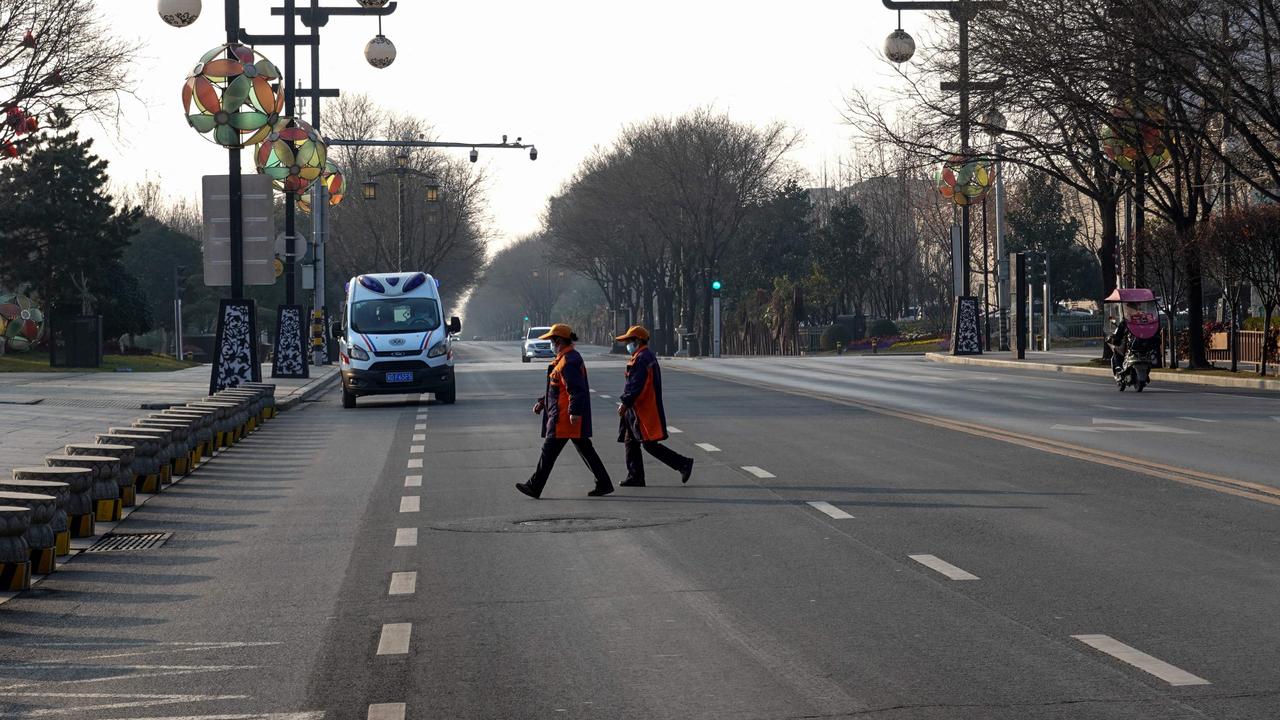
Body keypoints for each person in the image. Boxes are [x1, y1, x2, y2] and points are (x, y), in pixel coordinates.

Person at [516, 324, 614, 498]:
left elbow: (576, 389)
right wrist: (542, 402)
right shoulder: (563, 359)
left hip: (564, 417)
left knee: (549, 452)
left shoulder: (568, 361)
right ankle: (604, 483)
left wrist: (574, 412)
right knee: (585, 450)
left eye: (552, 341)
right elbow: (556, 389)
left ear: (559, 341)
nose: (551, 344)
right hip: (563, 414)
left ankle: (534, 486)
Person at [614, 326, 694, 487]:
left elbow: (636, 385)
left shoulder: (642, 358)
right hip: (637, 408)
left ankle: (683, 463)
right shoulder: (643, 356)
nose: (627, 345)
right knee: (631, 441)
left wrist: (625, 402)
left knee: (648, 444)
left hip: (642, 408)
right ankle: (635, 476)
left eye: (629, 341)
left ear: (638, 341)